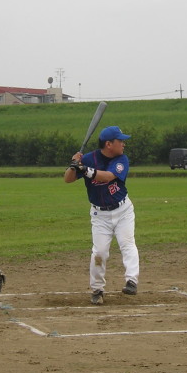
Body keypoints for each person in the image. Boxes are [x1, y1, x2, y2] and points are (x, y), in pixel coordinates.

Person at [63, 125, 139, 305]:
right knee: (100, 252)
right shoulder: (89, 159)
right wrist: (73, 166)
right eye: (120, 141)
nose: (124, 144)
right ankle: (97, 290)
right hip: (99, 215)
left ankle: (132, 281)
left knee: (127, 244)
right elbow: (68, 179)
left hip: (123, 211)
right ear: (108, 144)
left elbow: (107, 177)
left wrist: (85, 170)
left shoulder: (122, 159)